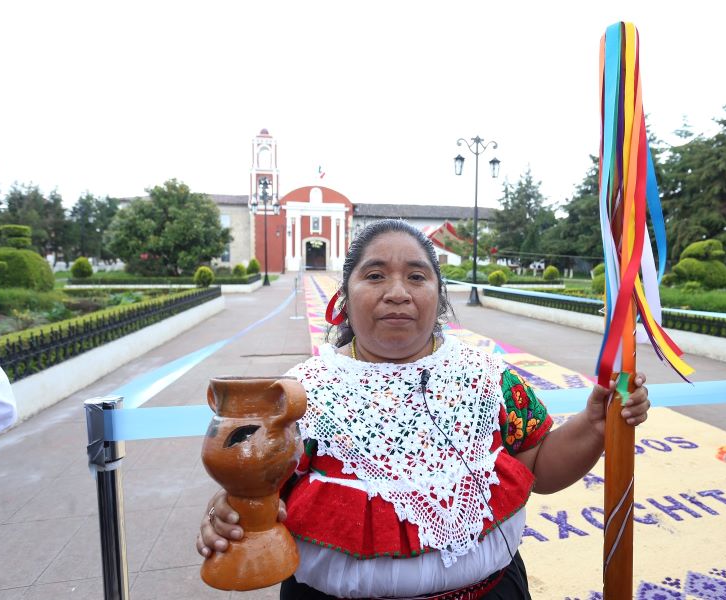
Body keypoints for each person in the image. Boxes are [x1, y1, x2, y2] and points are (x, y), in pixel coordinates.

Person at [197, 219, 650, 599]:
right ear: (345, 299)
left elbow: (542, 469)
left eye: (417, 276)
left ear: (439, 295)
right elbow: (255, 490)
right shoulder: (296, 396)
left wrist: (594, 422)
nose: (397, 292)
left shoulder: (489, 378)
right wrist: (230, 511)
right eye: (374, 276)